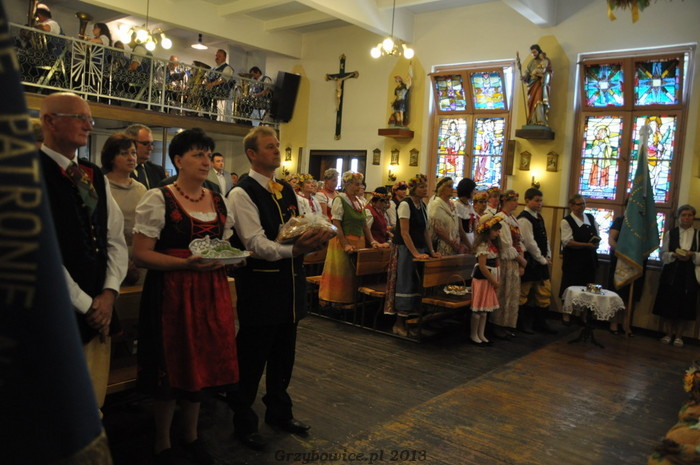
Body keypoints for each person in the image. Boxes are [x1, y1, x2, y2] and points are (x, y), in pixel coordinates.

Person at [132, 128, 239, 464]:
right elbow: (141, 254)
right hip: (171, 294)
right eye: (197, 155)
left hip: (210, 291)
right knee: (170, 365)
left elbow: (223, 245)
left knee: (200, 364)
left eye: (208, 155)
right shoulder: (158, 198)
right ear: (178, 160)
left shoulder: (218, 200)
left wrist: (230, 258)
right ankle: (162, 442)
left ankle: (191, 436)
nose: (206, 161)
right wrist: (185, 265)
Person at [225, 126, 332, 451]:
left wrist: (313, 237)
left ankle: (279, 412)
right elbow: (255, 243)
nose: (277, 151)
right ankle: (243, 421)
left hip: (290, 286)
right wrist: (295, 249)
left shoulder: (285, 188)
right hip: (260, 287)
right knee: (252, 359)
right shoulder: (241, 193)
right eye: (270, 147)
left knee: (284, 356)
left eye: (277, 146)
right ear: (252, 154)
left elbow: (291, 228)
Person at [38, 92, 127, 412]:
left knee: (91, 405)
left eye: (90, 118)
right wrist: (88, 304)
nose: (89, 125)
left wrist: (109, 292)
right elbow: (39, 254)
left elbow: (114, 237)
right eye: (80, 118)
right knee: (54, 410)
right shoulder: (26, 175)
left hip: (99, 312)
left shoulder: (92, 175)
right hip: (51, 315)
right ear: (50, 121)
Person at [384, 174, 440, 337]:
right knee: (405, 283)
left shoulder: (422, 205)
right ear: (413, 189)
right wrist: (415, 252)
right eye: (421, 187)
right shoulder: (405, 204)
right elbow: (404, 232)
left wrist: (431, 251)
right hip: (405, 249)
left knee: (416, 284)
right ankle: (398, 324)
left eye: (426, 186)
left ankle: (411, 322)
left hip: (420, 249)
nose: (425, 189)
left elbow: (425, 231)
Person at [319, 171, 386, 306]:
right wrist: (345, 244)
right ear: (347, 184)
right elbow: (336, 223)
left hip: (358, 241)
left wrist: (372, 241)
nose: (359, 187)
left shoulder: (359, 201)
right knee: (342, 273)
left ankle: (351, 302)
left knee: (353, 274)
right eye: (356, 184)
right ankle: (336, 302)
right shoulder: (340, 200)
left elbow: (364, 225)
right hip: (343, 242)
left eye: (360, 184)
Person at [101, 133, 147, 285]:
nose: (131, 158)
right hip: (111, 258)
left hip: (139, 259)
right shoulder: (101, 186)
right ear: (111, 157)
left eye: (133, 153)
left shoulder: (141, 189)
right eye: (124, 153)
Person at [652, 205, 699, 348]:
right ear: (678, 217)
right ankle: (668, 334)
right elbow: (662, 254)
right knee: (668, 304)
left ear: (693, 217)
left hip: (690, 273)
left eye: (689, 215)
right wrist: (674, 254)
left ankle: (679, 336)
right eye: (683, 215)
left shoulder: (698, 234)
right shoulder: (670, 233)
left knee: (685, 306)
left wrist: (692, 254)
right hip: (672, 272)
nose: (686, 218)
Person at [517, 188, 556, 335]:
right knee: (523, 293)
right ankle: (521, 323)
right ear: (527, 201)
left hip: (541, 260)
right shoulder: (524, 219)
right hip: (530, 261)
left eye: (541, 201)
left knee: (544, 291)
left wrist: (548, 255)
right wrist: (541, 259)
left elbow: (544, 238)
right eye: (536, 200)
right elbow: (529, 243)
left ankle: (540, 323)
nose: (540, 203)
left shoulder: (538, 217)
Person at [491, 190, 527, 339]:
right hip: (505, 261)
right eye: (514, 200)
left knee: (511, 295)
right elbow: (505, 245)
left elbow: (520, 241)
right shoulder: (500, 218)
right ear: (505, 201)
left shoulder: (512, 218)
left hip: (514, 261)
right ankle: (497, 325)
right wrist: (522, 260)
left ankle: (506, 325)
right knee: (503, 294)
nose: (516, 203)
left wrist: (521, 262)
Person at [559, 194, 600, 323]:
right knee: (569, 287)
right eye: (579, 204)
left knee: (589, 288)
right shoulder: (566, 221)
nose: (582, 206)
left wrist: (595, 243)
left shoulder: (590, 218)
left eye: (584, 203)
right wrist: (586, 245)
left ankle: (584, 315)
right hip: (573, 261)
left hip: (590, 260)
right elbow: (567, 242)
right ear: (571, 206)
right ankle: (567, 314)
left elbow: (597, 234)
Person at [470, 214, 503, 345]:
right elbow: (482, 267)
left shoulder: (492, 244)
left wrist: (497, 277)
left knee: (484, 309)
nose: (498, 233)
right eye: (496, 230)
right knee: (478, 308)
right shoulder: (482, 245)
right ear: (487, 230)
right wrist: (493, 281)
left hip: (490, 279)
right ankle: (474, 334)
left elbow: (496, 261)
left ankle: (481, 333)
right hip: (482, 279)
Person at [428, 177, 469, 256]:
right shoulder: (436, 204)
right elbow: (437, 229)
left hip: (454, 244)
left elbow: (457, 226)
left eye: (452, 186)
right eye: (449, 186)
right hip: (441, 245)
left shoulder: (452, 205)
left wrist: (457, 239)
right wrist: (451, 242)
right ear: (442, 189)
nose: (452, 189)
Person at [125, 124, 166, 189]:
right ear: (131, 143)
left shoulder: (158, 171)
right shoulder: (119, 171)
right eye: (145, 144)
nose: (151, 148)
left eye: (152, 144)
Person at [521, 44, 552, 127]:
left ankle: (540, 120)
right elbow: (527, 73)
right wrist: (524, 77)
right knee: (531, 101)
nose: (533, 54)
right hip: (532, 84)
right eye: (532, 53)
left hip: (540, 84)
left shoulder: (545, 60)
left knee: (539, 100)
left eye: (534, 52)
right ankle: (532, 120)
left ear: (539, 51)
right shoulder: (531, 62)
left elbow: (549, 73)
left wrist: (542, 75)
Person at [204, 49, 234, 120]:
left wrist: (211, 84)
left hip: (221, 91)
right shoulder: (213, 68)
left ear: (224, 58)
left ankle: (210, 115)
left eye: (219, 56)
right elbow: (206, 77)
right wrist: (206, 83)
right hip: (211, 90)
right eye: (216, 56)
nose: (217, 58)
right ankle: (204, 113)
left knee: (206, 94)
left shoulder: (227, 68)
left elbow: (223, 79)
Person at [454, 178, 477, 247]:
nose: (474, 192)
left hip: (472, 238)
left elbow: (474, 227)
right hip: (463, 241)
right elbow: (460, 229)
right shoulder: (457, 205)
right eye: (473, 190)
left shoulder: (470, 206)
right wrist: (470, 246)